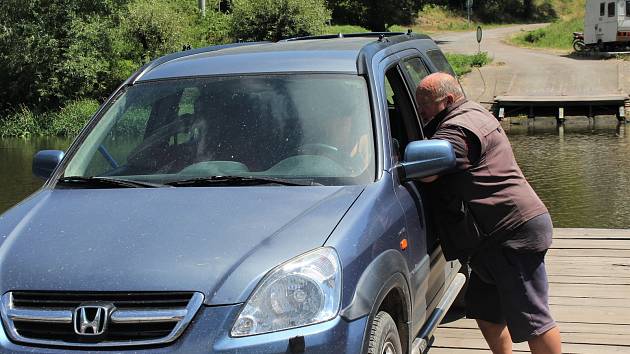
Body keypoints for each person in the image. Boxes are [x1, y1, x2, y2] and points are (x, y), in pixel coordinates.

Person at [415, 72, 562, 354]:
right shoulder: (473, 111)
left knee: (535, 319)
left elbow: (427, 172)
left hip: (511, 234)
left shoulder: (456, 131)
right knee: (485, 312)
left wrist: (399, 161)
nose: (421, 110)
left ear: (447, 100)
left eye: (425, 104)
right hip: (494, 239)